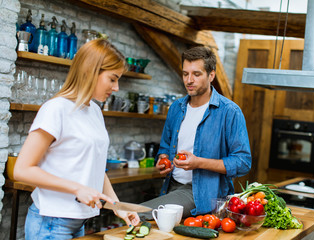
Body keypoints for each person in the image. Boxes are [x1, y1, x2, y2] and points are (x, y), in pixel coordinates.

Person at [13, 39, 140, 239]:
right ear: (91, 71)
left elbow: (96, 168)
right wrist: (77, 188)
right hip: (51, 223)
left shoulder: (95, 111)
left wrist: (117, 206)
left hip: (78, 222)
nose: (116, 88)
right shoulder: (56, 109)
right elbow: (21, 170)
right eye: (112, 79)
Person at [140, 46, 252, 219]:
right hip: (171, 186)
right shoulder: (176, 108)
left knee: (137, 214)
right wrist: (163, 160)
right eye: (185, 74)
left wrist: (198, 162)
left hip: (203, 193)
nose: (189, 80)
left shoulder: (229, 111)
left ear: (211, 75)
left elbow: (243, 162)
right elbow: (165, 148)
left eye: (196, 74)